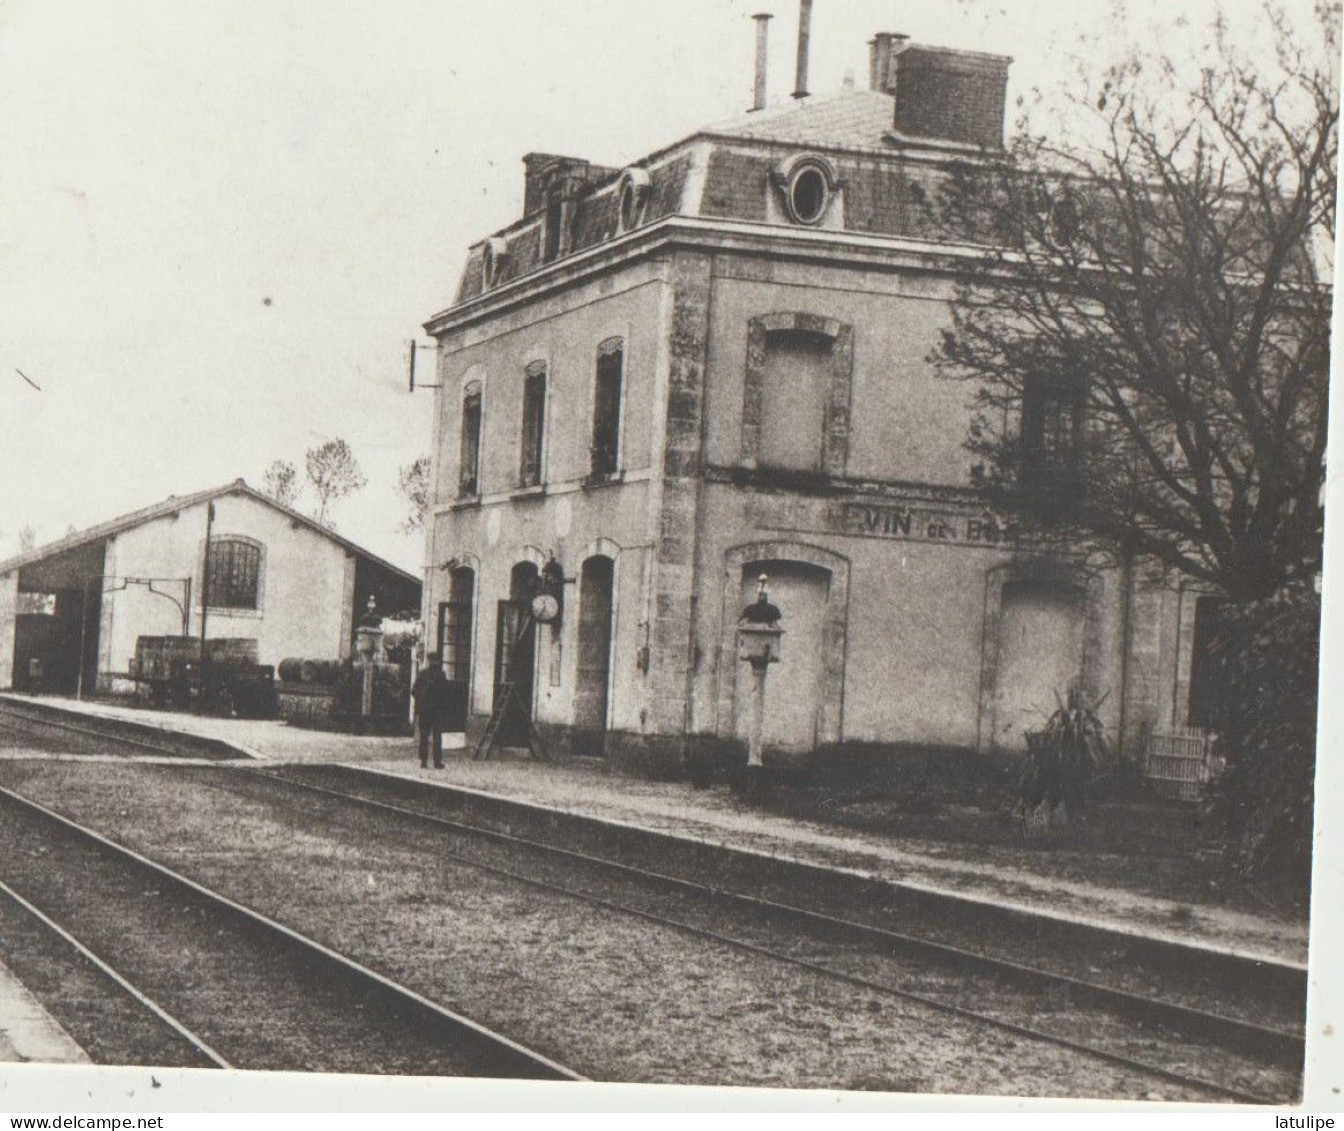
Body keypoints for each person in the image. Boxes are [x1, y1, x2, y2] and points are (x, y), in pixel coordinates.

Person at [411, 651, 451, 769]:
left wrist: (421, 701)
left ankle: (423, 761)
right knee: (437, 737)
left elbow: (414, 691)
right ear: (437, 661)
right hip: (437, 711)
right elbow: (446, 693)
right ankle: (437, 762)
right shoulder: (441, 675)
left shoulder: (422, 674)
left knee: (424, 736)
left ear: (428, 661)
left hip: (424, 710)